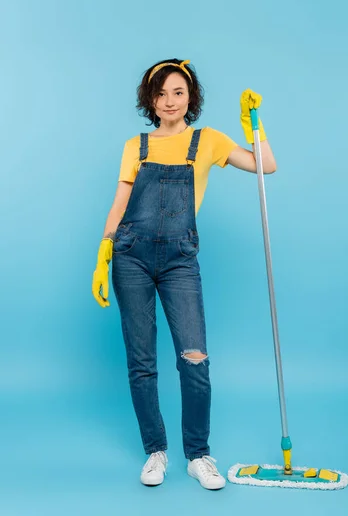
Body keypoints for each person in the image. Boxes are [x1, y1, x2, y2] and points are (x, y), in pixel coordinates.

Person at [92, 58, 277, 490]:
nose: (169, 101)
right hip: (131, 257)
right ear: (149, 100)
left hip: (179, 261)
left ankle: (198, 455)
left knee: (194, 360)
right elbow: (119, 205)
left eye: (178, 92)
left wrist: (255, 123)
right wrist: (104, 248)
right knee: (142, 363)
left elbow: (266, 166)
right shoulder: (135, 146)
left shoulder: (208, 141)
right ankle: (156, 452)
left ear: (190, 97)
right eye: (161, 93)